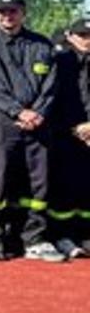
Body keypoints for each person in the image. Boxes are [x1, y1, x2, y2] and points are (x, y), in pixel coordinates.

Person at [0, 0, 65, 263]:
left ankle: (34, 238)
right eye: (2, 11)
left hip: (38, 122)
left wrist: (38, 112)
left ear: (23, 12)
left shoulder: (41, 44)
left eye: (13, 11)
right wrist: (17, 110)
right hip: (0, 120)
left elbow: (51, 85)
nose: (7, 16)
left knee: (38, 182)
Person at [48, 19, 90, 259]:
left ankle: (85, 235)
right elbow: (51, 98)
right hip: (64, 134)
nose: (87, 40)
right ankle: (61, 236)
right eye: (81, 35)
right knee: (63, 187)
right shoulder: (60, 62)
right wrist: (74, 127)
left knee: (87, 187)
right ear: (70, 36)